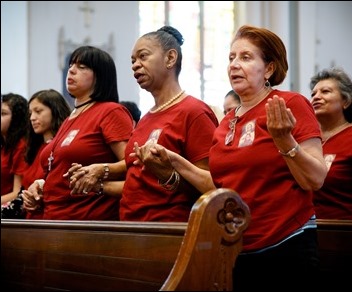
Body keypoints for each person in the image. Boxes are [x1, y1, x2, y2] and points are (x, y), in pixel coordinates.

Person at [131, 25, 327, 287]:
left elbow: (315, 179)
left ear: (268, 69)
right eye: (231, 58)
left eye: (246, 57)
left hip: (287, 242)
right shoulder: (225, 124)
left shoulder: (290, 104)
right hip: (236, 244)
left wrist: (284, 139)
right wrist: (175, 161)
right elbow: (219, 187)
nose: (234, 65)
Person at [116, 25, 218, 222]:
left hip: (167, 227)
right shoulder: (146, 118)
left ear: (170, 58)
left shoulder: (194, 112)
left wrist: (168, 175)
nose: (135, 65)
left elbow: (209, 186)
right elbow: (136, 178)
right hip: (130, 225)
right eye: (133, 60)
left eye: (143, 57)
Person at [22, 46, 134, 220]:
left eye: (82, 67)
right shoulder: (70, 118)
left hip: (86, 222)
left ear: (100, 76)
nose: (71, 70)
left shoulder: (110, 111)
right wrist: (41, 185)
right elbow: (61, 169)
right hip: (53, 219)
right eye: (71, 65)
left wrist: (102, 171)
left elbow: (132, 163)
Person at [310, 67, 352, 220]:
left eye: (325, 91)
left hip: (345, 233)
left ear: (346, 101)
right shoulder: (307, 140)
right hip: (305, 233)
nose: (316, 97)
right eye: (313, 94)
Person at [4, 89, 72, 219]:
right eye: (30, 113)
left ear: (55, 110)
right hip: (30, 219)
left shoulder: (64, 148)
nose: (32, 118)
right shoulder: (34, 148)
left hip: (52, 219)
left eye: (38, 111)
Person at [1, 93, 28, 208]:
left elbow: (17, 192)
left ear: (17, 118)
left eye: (3, 113)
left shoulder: (21, 145)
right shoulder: (3, 144)